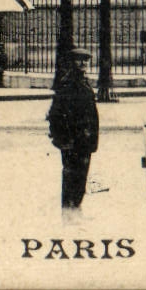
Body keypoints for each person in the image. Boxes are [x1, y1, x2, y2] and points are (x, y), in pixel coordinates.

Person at [47, 49, 100, 211]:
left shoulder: (82, 81)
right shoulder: (68, 84)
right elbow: (55, 114)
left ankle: (74, 209)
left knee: (80, 178)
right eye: (79, 60)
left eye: (86, 61)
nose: (83, 64)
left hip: (84, 140)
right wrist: (63, 140)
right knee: (72, 178)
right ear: (72, 63)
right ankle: (69, 211)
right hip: (73, 141)